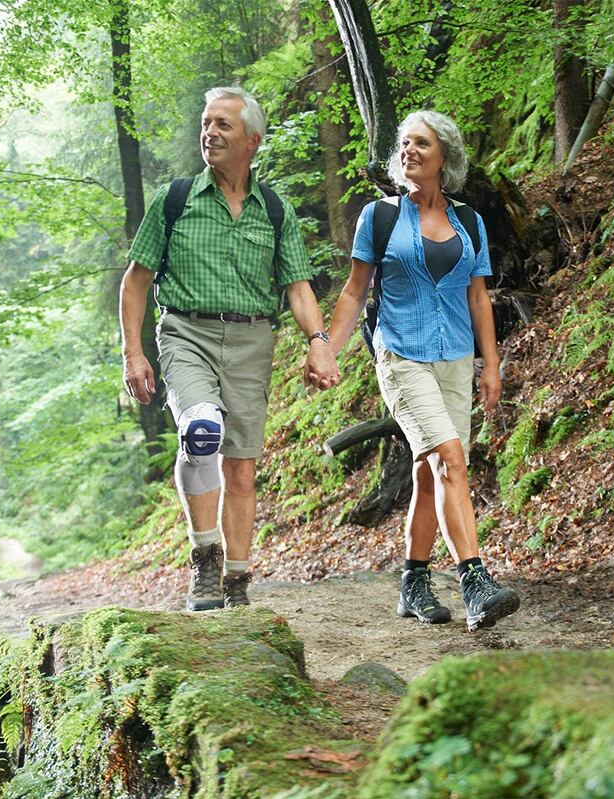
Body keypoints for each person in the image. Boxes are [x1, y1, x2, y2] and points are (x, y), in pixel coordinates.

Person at [120, 86, 338, 612]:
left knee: (240, 466)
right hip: (185, 334)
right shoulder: (174, 201)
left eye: (223, 125)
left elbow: (298, 287)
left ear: (252, 141)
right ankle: (205, 561)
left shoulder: (275, 211)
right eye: (206, 123)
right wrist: (132, 351)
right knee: (200, 432)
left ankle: (237, 583)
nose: (209, 133)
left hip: (251, 341)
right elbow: (135, 281)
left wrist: (319, 343)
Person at [323, 110, 520, 632]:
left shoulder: (469, 222)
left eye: (421, 144)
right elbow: (353, 291)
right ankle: (475, 581)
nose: (409, 150)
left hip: (455, 357)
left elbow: (478, 297)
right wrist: (327, 348)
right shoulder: (380, 217)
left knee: (430, 473)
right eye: (404, 143)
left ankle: (412, 581)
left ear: (444, 158)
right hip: (401, 354)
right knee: (450, 459)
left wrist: (490, 364)